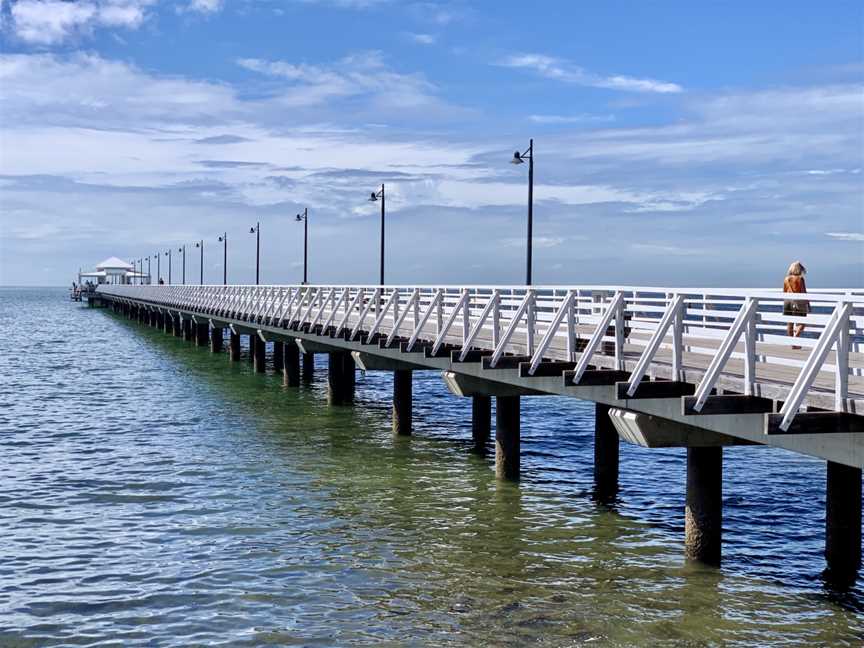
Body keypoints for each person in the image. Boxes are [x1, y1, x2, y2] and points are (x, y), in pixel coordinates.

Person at [783, 260, 809, 348]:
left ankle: (792, 343)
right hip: (798, 302)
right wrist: (808, 304)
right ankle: (795, 340)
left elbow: (784, 291)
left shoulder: (786, 279)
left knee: (789, 323)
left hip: (787, 301)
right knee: (802, 322)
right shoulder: (800, 279)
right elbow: (803, 292)